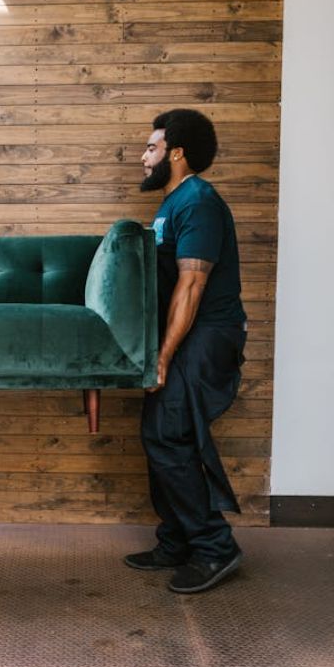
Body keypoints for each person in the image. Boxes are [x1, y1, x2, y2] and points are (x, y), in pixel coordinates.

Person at [124, 108, 248, 594]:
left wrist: (164, 354)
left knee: (169, 434)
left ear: (176, 152)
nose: (143, 155)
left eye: (151, 147)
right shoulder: (171, 204)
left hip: (207, 333)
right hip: (187, 333)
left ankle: (215, 547)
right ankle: (176, 539)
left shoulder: (198, 201)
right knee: (160, 433)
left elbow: (192, 285)